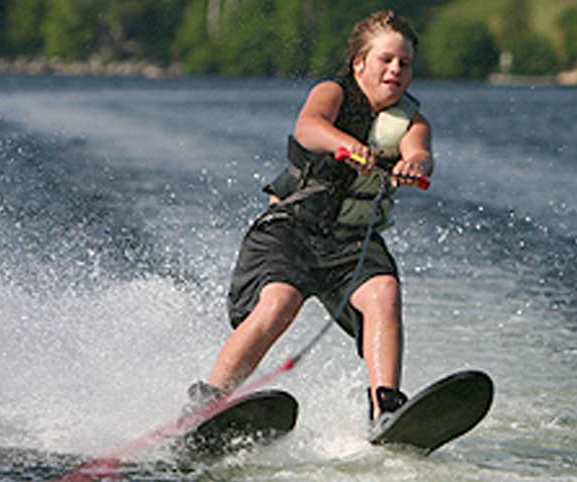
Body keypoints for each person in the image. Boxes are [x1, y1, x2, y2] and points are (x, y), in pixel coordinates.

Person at [186, 9, 434, 426]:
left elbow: (420, 153)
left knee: (384, 292)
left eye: (404, 63)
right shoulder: (332, 93)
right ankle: (208, 403)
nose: (395, 69)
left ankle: (386, 408)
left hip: (352, 242)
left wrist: (417, 166)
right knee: (280, 301)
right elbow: (309, 127)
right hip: (291, 229)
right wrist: (347, 145)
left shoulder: (413, 121)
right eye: (385, 59)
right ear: (359, 63)